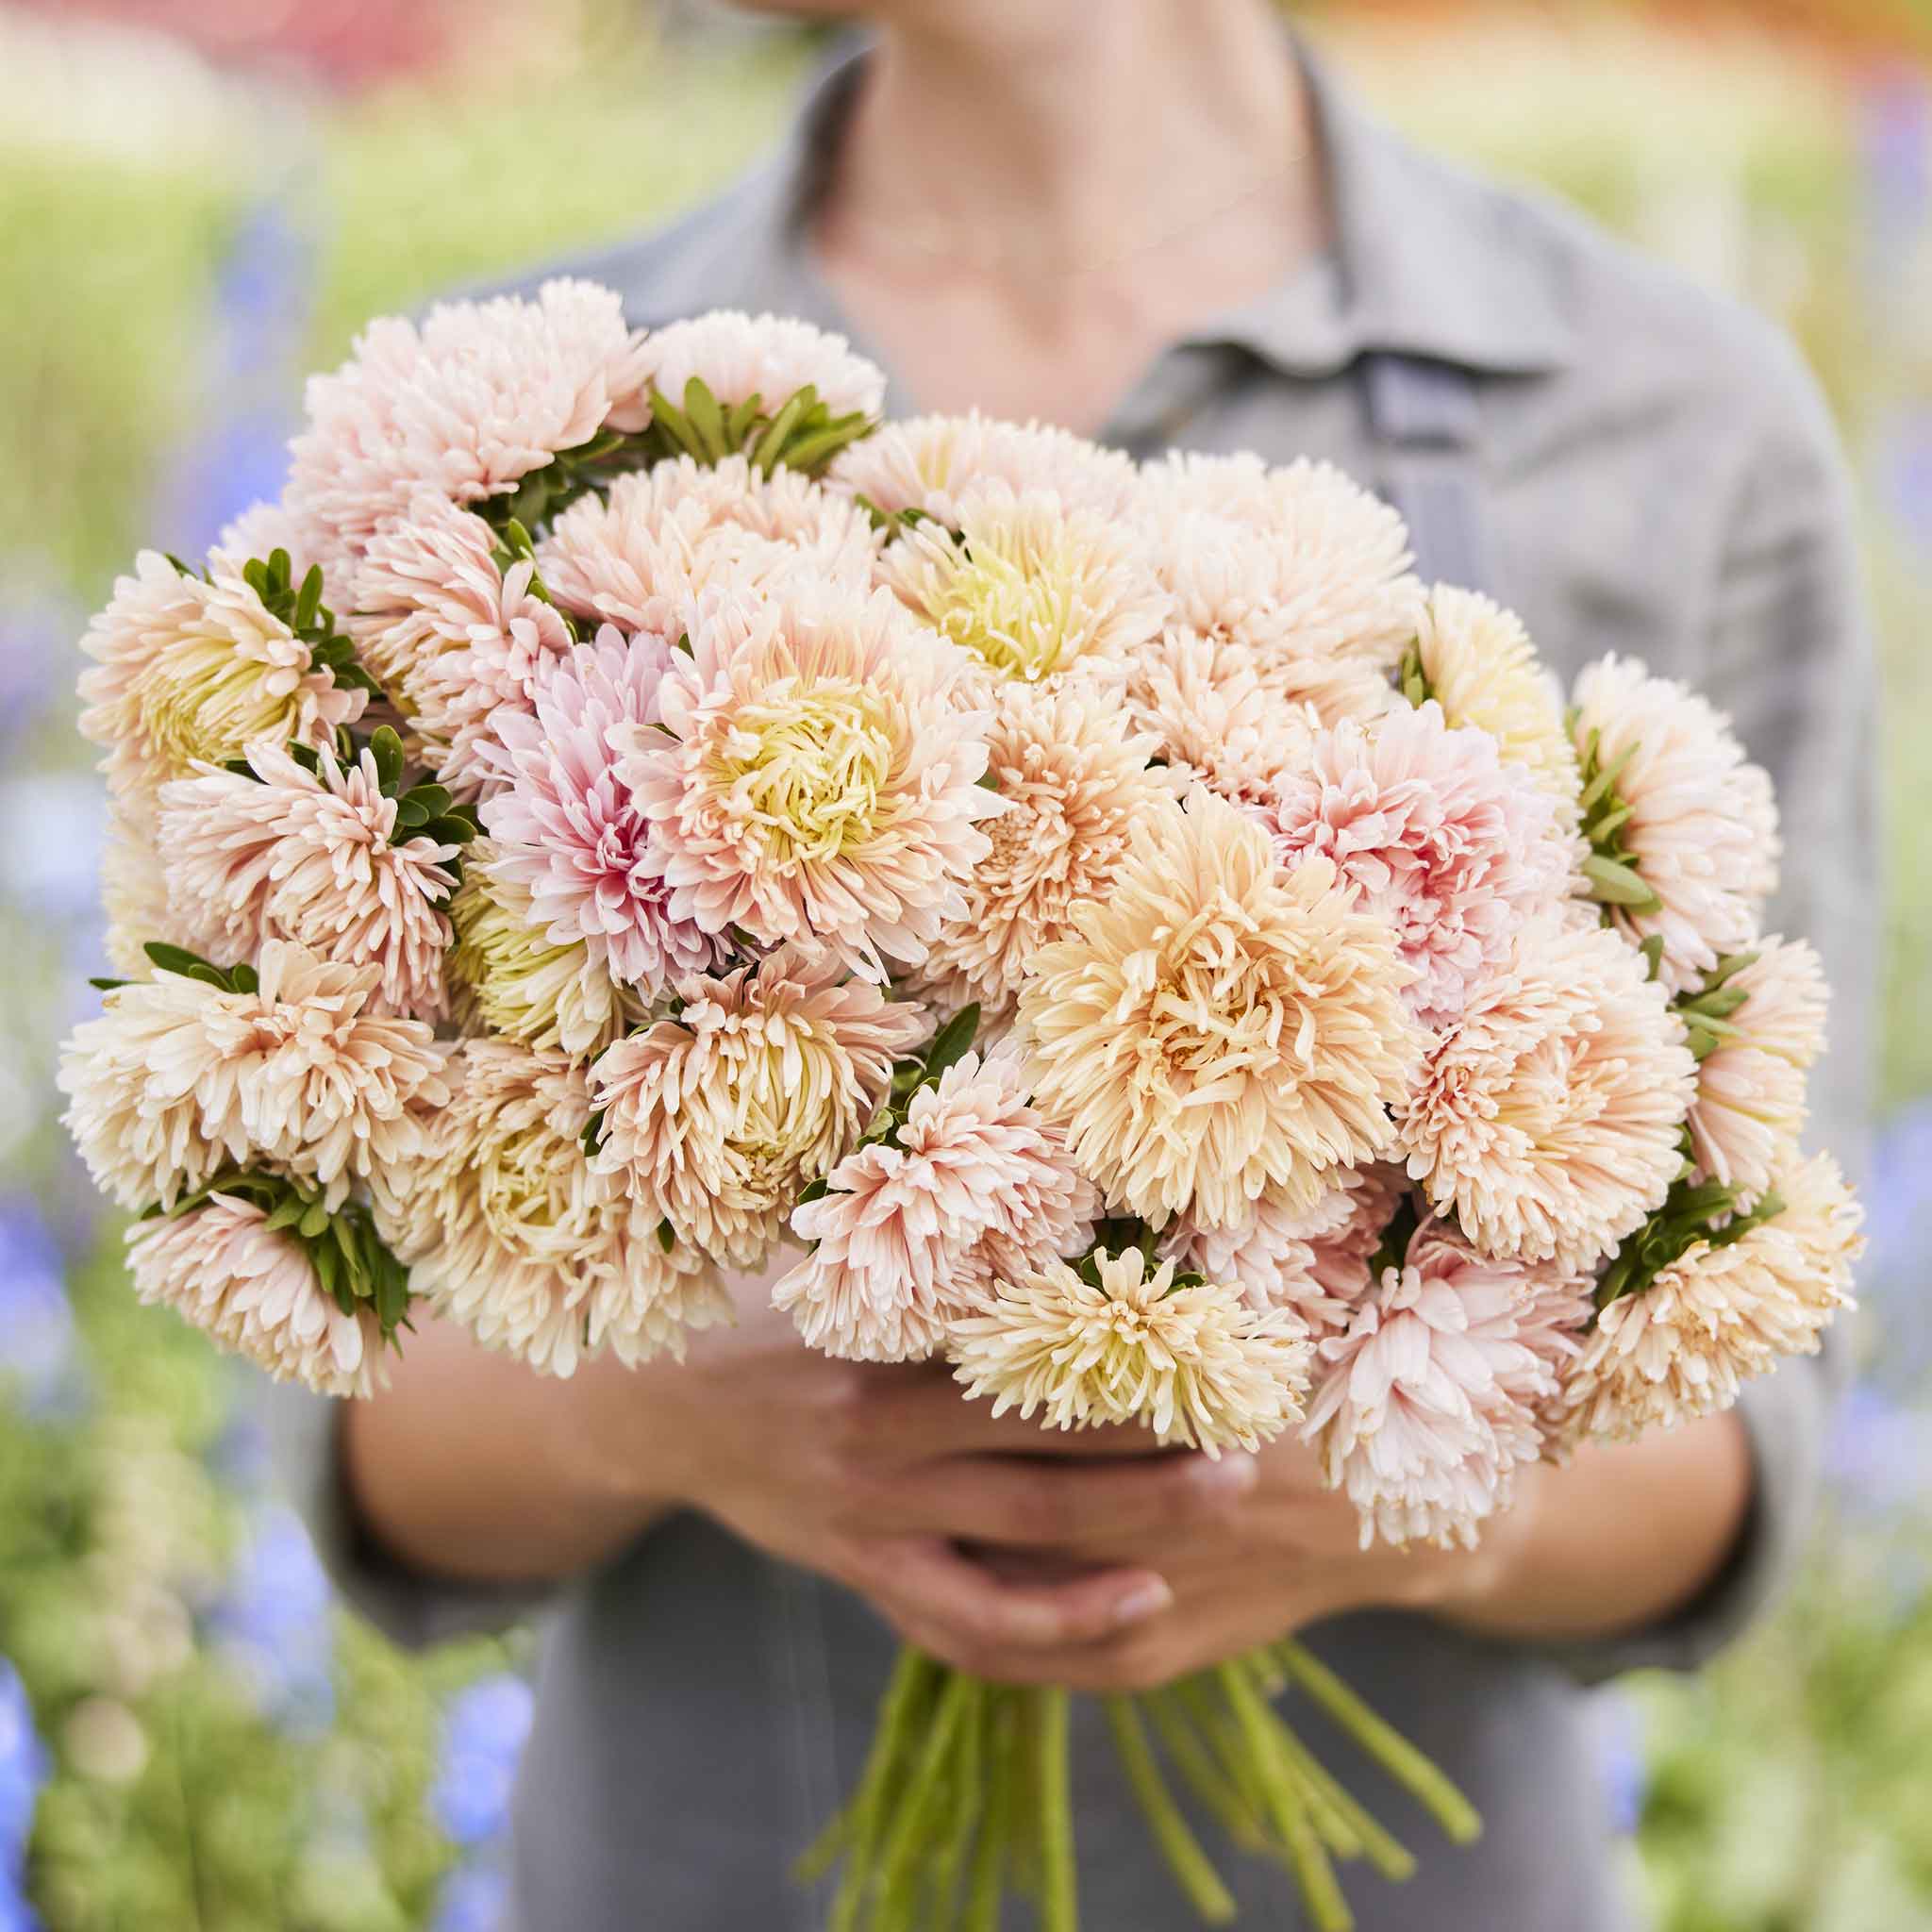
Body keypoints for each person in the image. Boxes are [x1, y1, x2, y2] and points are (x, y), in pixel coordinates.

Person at [272, 4, 1876, 1926]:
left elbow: (1742, 1407)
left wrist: (1370, 1499)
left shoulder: (1668, 413)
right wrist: (666, 1409)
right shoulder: (536, 438)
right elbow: (339, 1395)